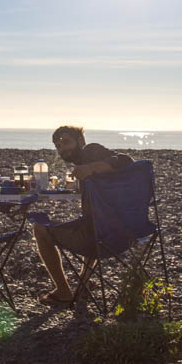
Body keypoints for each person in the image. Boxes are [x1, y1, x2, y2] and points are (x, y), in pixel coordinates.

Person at [33, 125, 133, 305]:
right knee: (91, 220)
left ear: (80, 141)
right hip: (126, 231)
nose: (62, 148)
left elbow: (127, 160)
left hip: (102, 236)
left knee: (39, 228)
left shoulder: (90, 151)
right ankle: (84, 281)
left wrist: (92, 167)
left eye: (66, 142)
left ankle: (63, 292)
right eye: (58, 146)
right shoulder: (83, 162)